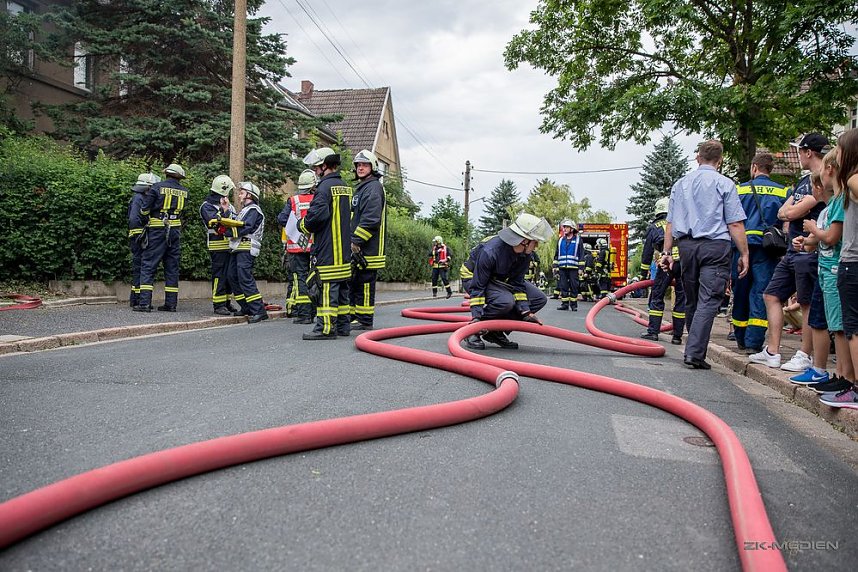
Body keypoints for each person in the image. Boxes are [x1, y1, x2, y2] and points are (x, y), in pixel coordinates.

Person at [661, 140, 749, 369]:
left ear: (698, 158)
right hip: (715, 247)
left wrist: (667, 252)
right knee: (709, 299)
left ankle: (693, 348)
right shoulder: (725, 184)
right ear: (719, 161)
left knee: (692, 297)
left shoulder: (681, 184)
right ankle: (694, 353)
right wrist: (744, 253)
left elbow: (670, 222)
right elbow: (736, 224)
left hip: (687, 248)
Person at [749, 133, 829, 370]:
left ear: (808, 152)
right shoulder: (804, 181)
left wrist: (792, 210)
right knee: (771, 295)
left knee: (806, 303)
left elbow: (793, 212)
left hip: (809, 252)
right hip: (792, 251)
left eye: (799, 151)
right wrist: (791, 210)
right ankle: (772, 351)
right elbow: (783, 212)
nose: (797, 155)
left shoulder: (822, 178)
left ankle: (805, 355)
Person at [797, 150, 854, 392]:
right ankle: (841, 374)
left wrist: (813, 230)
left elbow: (831, 237)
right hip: (827, 271)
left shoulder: (841, 203)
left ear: (830, 170)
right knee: (835, 326)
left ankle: (845, 376)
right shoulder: (831, 206)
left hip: (834, 272)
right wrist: (808, 241)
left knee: (840, 327)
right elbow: (824, 240)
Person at [464, 213, 553, 350]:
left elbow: (517, 284)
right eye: (535, 241)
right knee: (505, 301)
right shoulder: (491, 251)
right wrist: (476, 316)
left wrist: (526, 312)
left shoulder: (525, 254)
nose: (537, 246)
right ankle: (473, 330)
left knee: (538, 299)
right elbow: (478, 286)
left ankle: (495, 332)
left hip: (497, 280)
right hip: (472, 277)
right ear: (524, 240)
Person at [730, 153, 789, 353]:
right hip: (769, 249)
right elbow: (786, 223)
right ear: (770, 169)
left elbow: (731, 219)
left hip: (742, 247)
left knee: (740, 291)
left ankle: (739, 336)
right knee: (761, 293)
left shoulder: (740, 189)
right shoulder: (783, 192)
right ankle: (753, 342)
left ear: (754, 167)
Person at [818, 128, 858, 408]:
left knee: (852, 329)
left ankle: (854, 387)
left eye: (839, 150)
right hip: (848, 264)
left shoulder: (854, 179)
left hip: (851, 263)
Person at [299, 147, 353, 340]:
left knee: (328, 288)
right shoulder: (344, 186)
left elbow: (316, 217)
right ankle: (343, 326)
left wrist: (302, 224)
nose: (315, 171)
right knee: (343, 289)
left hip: (329, 249)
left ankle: (326, 328)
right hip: (344, 250)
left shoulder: (323, 188)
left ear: (324, 166)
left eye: (316, 168)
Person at [134, 163, 189, 313]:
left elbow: (144, 210)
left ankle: (144, 303)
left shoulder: (157, 187)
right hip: (175, 231)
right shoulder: (185, 191)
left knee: (148, 264)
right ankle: (171, 304)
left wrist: (147, 220)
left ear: (167, 174)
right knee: (172, 267)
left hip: (157, 230)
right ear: (179, 177)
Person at [349, 150, 387, 330]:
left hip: (368, 248)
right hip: (361, 247)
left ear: (373, 167)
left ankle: (364, 320)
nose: (360, 168)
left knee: (364, 284)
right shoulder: (364, 187)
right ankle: (355, 316)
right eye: (358, 165)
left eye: (364, 165)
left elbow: (371, 219)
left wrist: (356, 242)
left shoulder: (373, 188)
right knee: (356, 282)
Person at [640, 196, 685, 344]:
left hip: (666, 262)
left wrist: (643, 274)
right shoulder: (679, 220)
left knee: (657, 296)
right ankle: (677, 336)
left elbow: (647, 253)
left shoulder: (654, 227)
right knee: (681, 298)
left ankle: (653, 332)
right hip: (683, 261)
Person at [223, 181, 268, 323]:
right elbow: (235, 222)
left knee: (245, 278)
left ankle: (259, 311)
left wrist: (227, 231)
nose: (239, 195)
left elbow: (245, 228)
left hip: (247, 248)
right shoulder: (245, 210)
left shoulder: (254, 210)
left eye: (242, 193)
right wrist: (225, 211)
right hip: (238, 248)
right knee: (232, 276)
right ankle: (246, 307)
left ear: (250, 195)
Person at [277, 169, 317, 325]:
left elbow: (281, 219)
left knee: (299, 279)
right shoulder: (318, 198)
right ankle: (314, 311)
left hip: (296, 248)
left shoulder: (294, 201)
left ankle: (303, 314)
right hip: (314, 246)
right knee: (314, 279)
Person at [199, 175, 237, 316]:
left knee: (228, 276)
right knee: (219, 276)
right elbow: (216, 224)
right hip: (217, 245)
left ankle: (226, 302)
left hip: (230, 245)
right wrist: (225, 211)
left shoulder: (229, 205)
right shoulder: (207, 206)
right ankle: (218, 304)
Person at [127, 172, 160, 308]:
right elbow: (134, 219)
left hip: (138, 235)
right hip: (139, 236)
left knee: (139, 266)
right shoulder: (138, 198)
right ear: (147, 187)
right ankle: (139, 299)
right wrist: (141, 234)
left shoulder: (139, 197)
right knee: (141, 266)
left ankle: (136, 298)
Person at [553, 219, 584, 311]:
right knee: (563, 286)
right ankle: (565, 304)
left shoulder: (578, 240)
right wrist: (555, 267)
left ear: (572, 229)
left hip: (574, 268)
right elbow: (556, 254)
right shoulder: (560, 240)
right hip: (562, 267)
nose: (564, 229)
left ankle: (574, 305)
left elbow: (581, 254)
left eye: (566, 227)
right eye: (564, 227)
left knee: (574, 286)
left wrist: (581, 268)